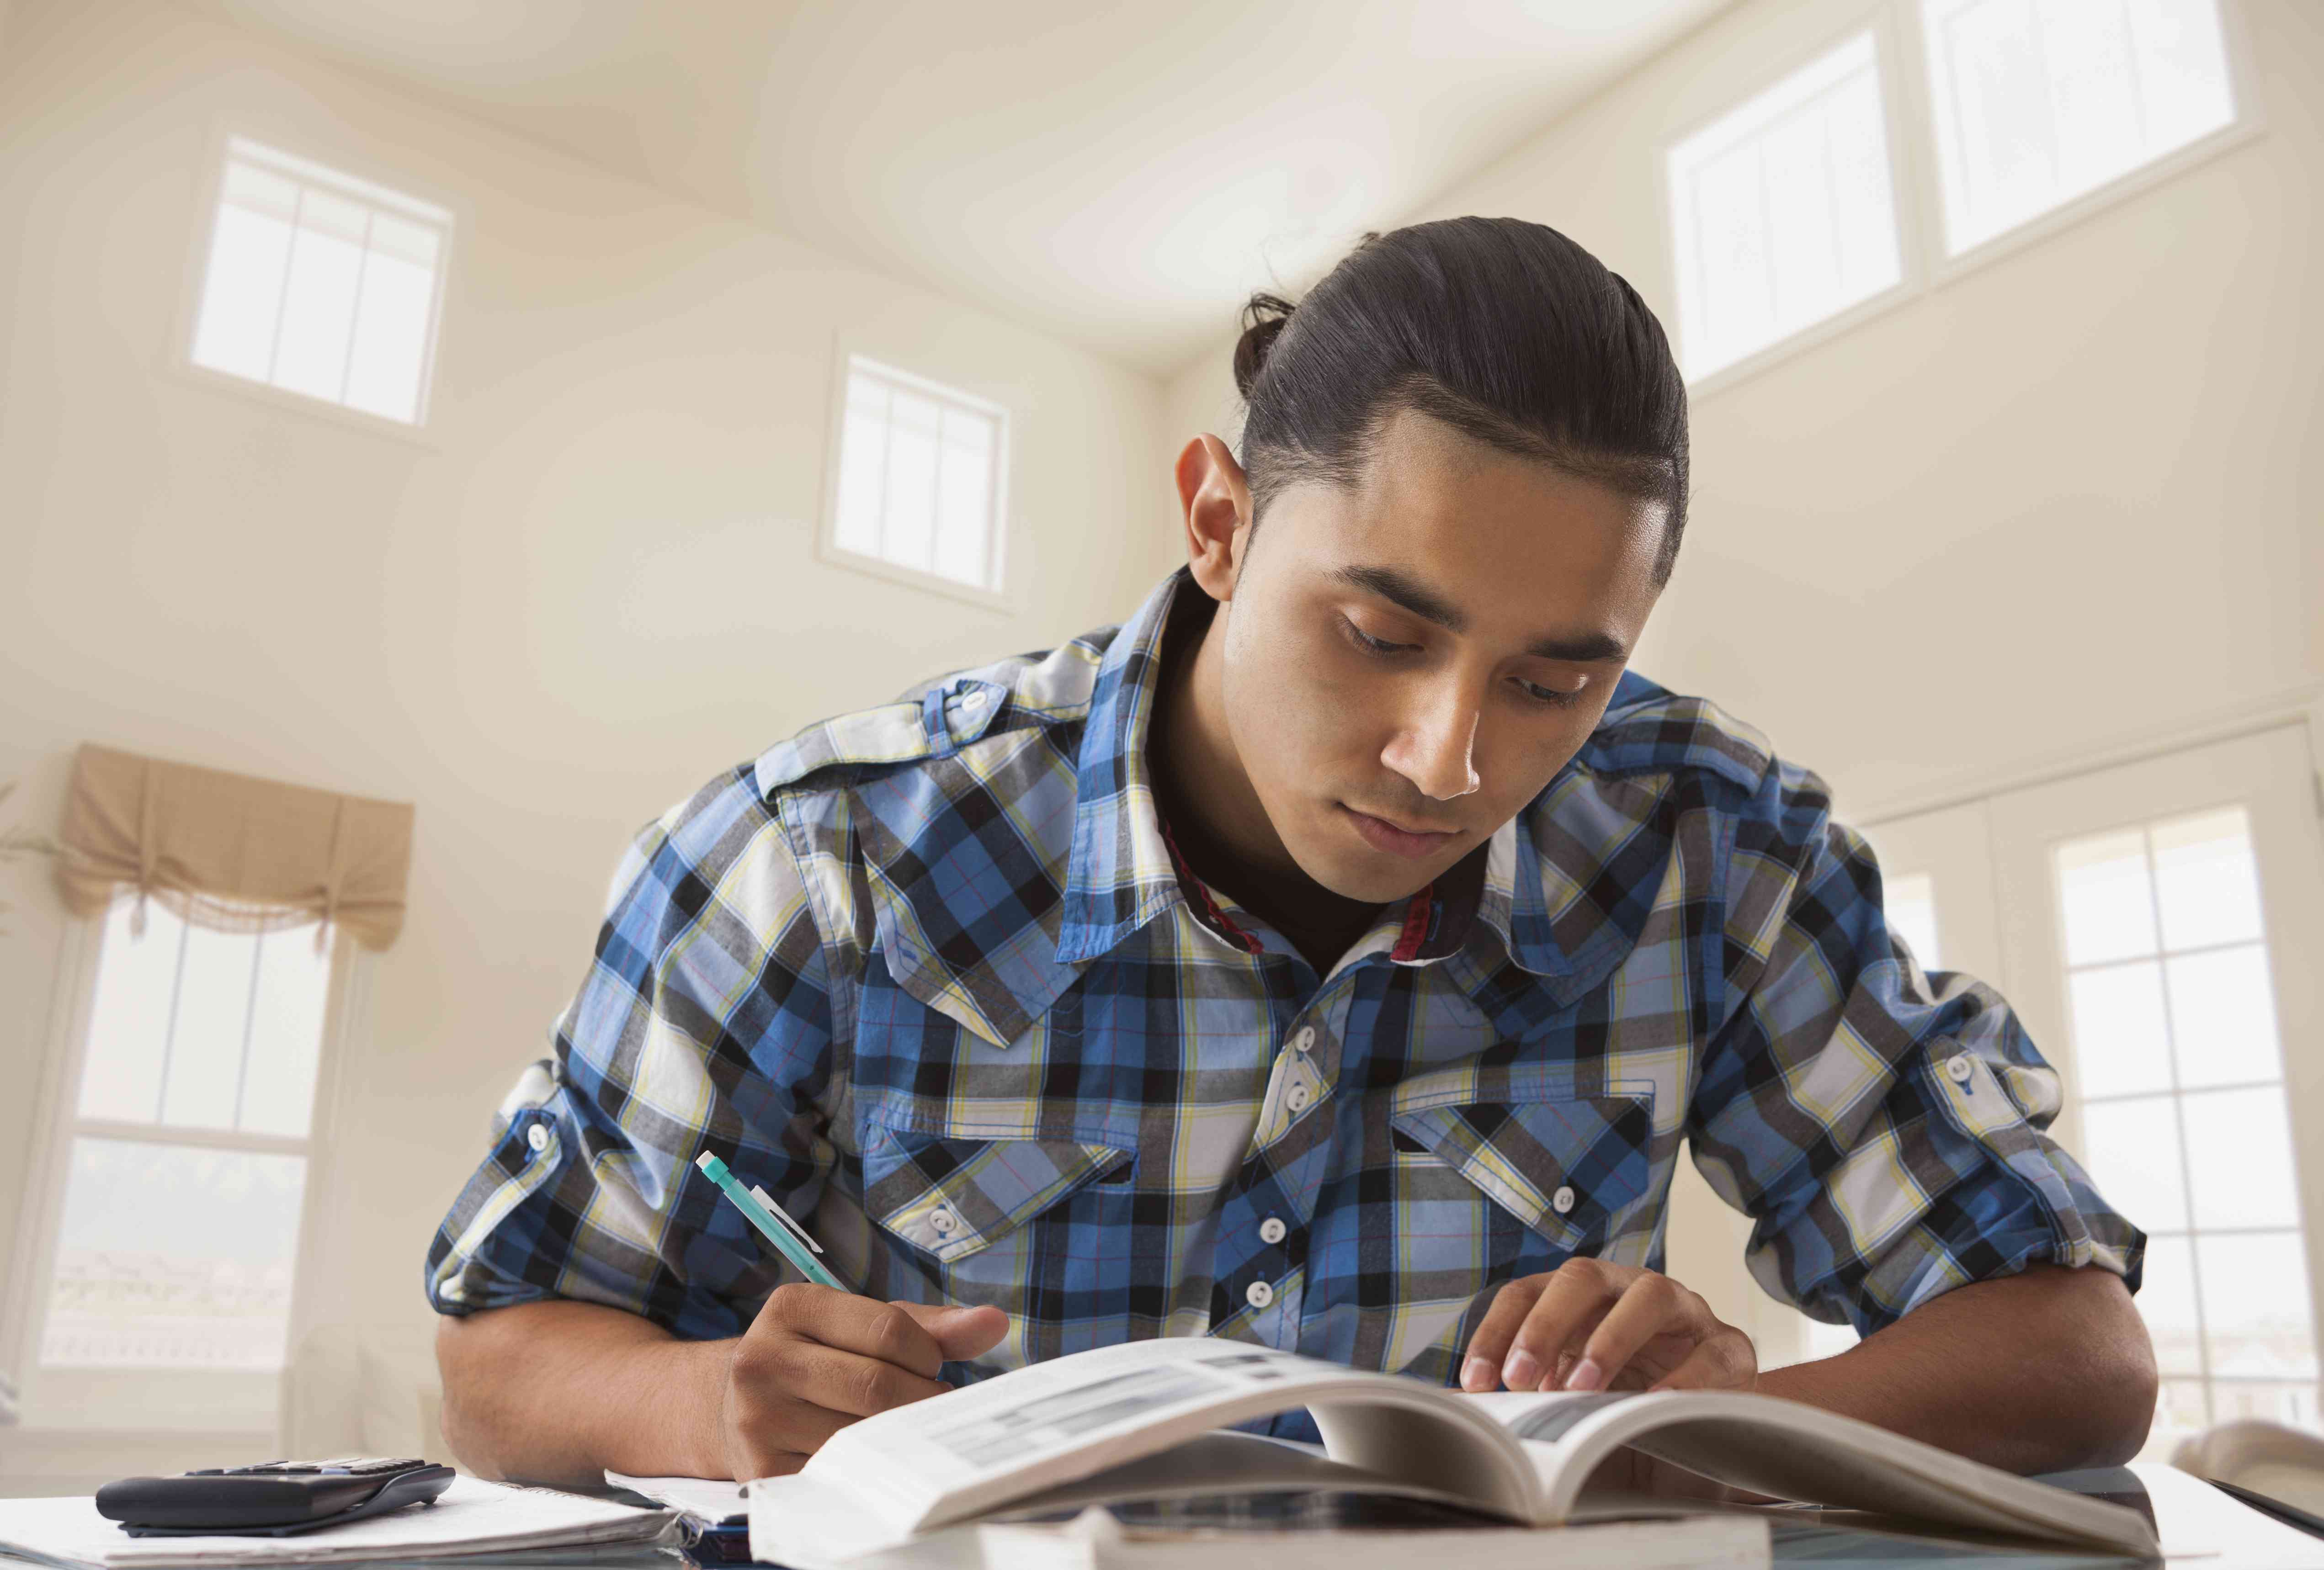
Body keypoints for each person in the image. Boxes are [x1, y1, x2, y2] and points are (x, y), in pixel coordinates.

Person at [426, 216, 2154, 1487]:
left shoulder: (1714, 849)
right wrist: (711, 1402)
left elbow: (2075, 1348)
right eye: (1381, 632)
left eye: (1558, 679)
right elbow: (500, 1357)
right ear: (1218, 521)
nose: (1452, 759)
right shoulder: (826, 858)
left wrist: (1688, 1430)